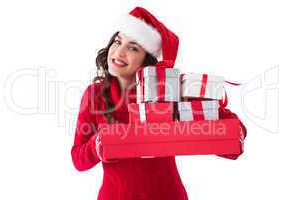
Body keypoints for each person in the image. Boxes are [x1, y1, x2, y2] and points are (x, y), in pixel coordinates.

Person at [71, 6, 246, 200]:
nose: (119, 52)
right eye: (118, 42)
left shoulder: (168, 90)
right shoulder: (94, 95)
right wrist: (99, 144)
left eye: (133, 47)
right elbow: (78, 160)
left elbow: (230, 133)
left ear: (147, 61)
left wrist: (232, 135)